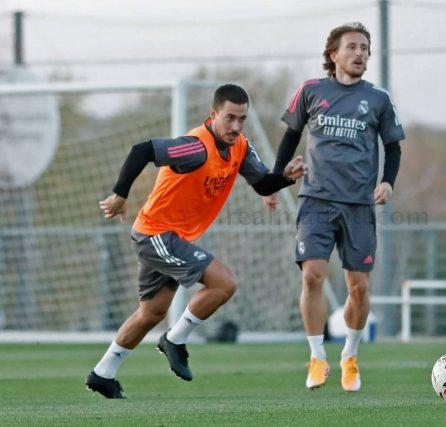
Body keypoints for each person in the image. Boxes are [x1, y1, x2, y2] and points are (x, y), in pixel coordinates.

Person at [85, 84, 307, 399]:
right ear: (213, 114)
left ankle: (102, 374)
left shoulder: (240, 146)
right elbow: (142, 150)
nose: (236, 126)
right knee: (225, 283)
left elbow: (262, 184)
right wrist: (120, 194)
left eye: (242, 119)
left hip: (170, 237)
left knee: (151, 313)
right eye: (229, 118)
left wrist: (285, 177)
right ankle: (174, 340)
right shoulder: (195, 147)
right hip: (156, 234)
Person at [271, 22, 405, 391]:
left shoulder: (378, 98)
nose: (360, 54)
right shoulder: (312, 91)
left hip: (359, 205)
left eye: (365, 48)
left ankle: (349, 355)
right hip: (316, 199)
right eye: (352, 47)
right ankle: (317, 357)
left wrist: (387, 181)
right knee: (312, 274)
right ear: (334, 54)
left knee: (358, 288)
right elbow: (290, 135)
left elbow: (393, 147)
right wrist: (276, 179)